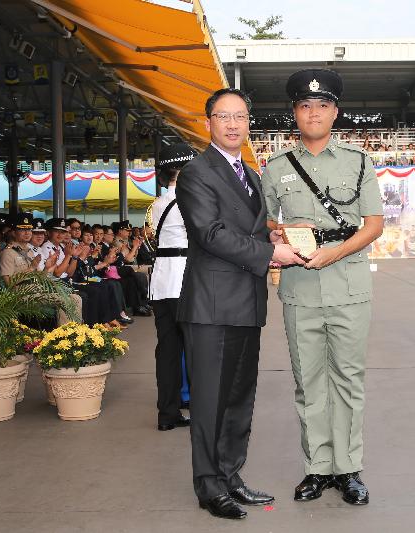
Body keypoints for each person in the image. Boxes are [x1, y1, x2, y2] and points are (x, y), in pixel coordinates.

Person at [175, 87, 304, 520]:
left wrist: (272, 237)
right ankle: (209, 487)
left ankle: (230, 475)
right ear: (207, 121)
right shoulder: (196, 172)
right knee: (211, 400)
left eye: (241, 117)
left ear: (249, 122)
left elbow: (247, 229)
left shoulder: (249, 172)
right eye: (224, 116)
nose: (233, 124)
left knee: (238, 398)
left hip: (246, 302)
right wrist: (271, 255)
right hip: (211, 307)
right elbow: (208, 234)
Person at [261, 69, 384, 506]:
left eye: (322, 105)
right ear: (294, 112)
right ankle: (317, 468)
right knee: (308, 381)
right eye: (305, 106)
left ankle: (349, 468)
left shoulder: (358, 161)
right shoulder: (275, 168)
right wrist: (280, 231)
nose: (314, 113)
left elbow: (373, 225)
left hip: (348, 284)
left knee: (349, 379)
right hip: (299, 288)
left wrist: (334, 252)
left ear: (336, 111)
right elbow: (266, 221)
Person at [149, 145, 194, 432]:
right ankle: (201, 411)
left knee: (167, 351)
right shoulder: (192, 202)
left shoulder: (156, 205)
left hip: (161, 282)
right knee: (195, 349)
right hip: (186, 281)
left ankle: (167, 414)